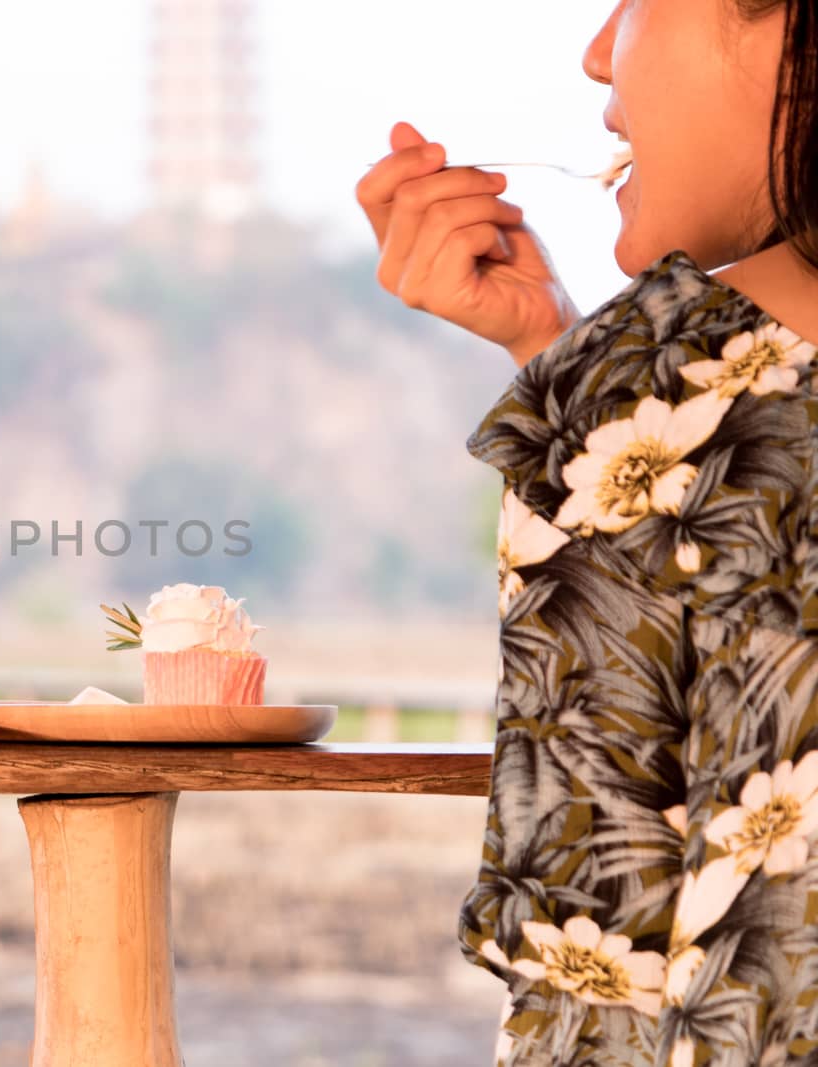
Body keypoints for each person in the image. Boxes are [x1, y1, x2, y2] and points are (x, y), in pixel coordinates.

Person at [356, 2, 818, 1064]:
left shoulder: (643, 397)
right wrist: (576, 382)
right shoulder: (646, 402)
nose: (597, 50)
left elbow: (590, 980)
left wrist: (603, 416)